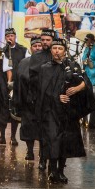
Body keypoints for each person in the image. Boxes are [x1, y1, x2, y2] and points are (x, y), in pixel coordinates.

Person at [35, 38, 95, 184]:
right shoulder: (45, 68)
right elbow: (42, 91)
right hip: (51, 112)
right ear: (51, 50)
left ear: (65, 50)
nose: (56, 51)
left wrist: (78, 88)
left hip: (68, 113)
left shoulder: (73, 66)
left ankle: (61, 171)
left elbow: (86, 82)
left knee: (65, 142)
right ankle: (52, 170)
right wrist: (57, 97)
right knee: (53, 141)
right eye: (54, 48)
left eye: (59, 48)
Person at [28, 28, 56, 171]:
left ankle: (54, 162)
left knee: (55, 134)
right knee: (43, 133)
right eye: (43, 40)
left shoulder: (57, 55)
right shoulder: (36, 57)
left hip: (56, 102)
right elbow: (32, 79)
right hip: (41, 101)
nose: (44, 43)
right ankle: (43, 159)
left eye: (47, 40)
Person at [0, 27, 27, 146]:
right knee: (3, 110)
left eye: (12, 36)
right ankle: (2, 136)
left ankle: (13, 137)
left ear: (15, 37)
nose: (10, 38)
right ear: (5, 38)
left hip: (18, 85)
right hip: (3, 84)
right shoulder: (1, 51)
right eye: (8, 36)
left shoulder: (23, 50)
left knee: (15, 111)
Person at [15, 37, 43, 160]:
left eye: (39, 45)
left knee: (43, 129)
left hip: (42, 102)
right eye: (35, 46)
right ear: (31, 48)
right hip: (27, 102)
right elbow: (18, 83)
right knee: (27, 128)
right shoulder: (23, 63)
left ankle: (43, 153)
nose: (37, 48)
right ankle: (30, 151)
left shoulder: (47, 62)